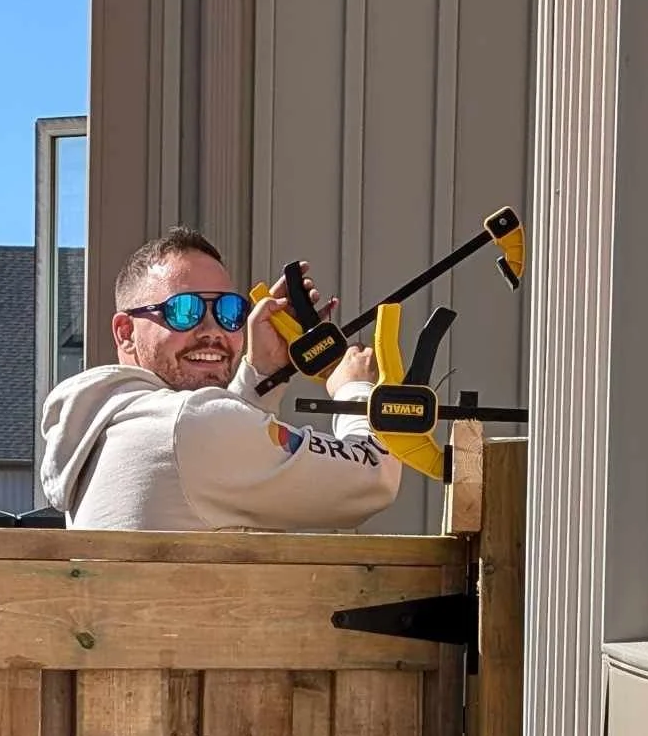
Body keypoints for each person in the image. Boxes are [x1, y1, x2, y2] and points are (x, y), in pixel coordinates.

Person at [39, 227, 399, 531]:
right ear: (125, 332)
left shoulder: (106, 420)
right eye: (185, 310)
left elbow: (219, 446)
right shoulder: (187, 424)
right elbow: (371, 478)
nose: (213, 331)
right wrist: (356, 389)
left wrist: (264, 372)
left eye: (229, 311)